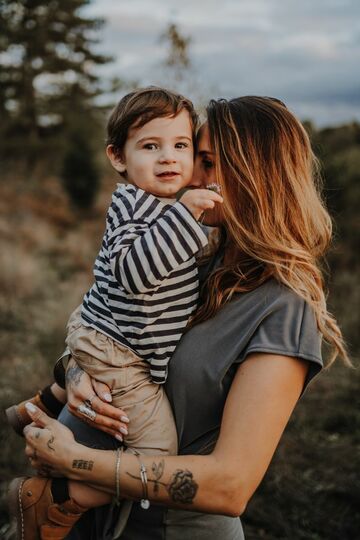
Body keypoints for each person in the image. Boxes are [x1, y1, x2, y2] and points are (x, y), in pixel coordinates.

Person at [15, 96, 348, 540]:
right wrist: (76, 375)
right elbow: (110, 319)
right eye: (197, 157)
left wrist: (72, 461)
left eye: (206, 160)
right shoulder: (193, 256)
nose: (190, 173)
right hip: (88, 525)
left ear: (255, 174)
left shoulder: (284, 308)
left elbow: (231, 486)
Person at [7, 87, 223, 539]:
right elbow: (134, 272)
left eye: (181, 146)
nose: (169, 158)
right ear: (118, 158)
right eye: (151, 146)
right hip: (118, 349)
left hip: (108, 337)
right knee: (156, 450)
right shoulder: (134, 204)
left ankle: (40, 405)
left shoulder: (166, 209)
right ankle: (54, 501)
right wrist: (186, 217)